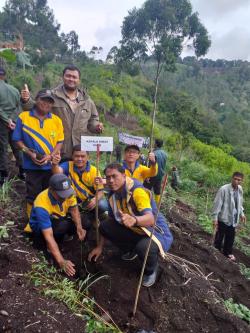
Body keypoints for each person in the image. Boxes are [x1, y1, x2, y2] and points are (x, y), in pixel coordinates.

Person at [88, 163, 173, 287]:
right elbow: (111, 220)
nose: (111, 181)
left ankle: (151, 270)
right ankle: (131, 250)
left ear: (123, 175)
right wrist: (100, 247)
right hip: (135, 229)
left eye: (114, 176)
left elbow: (150, 219)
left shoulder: (137, 191)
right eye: (108, 177)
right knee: (105, 226)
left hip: (154, 231)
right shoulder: (113, 195)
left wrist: (134, 220)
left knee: (144, 248)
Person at [21, 64, 103, 160]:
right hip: (57, 150)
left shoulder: (87, 100)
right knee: (57, 174)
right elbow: (37, 108)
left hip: (80, 152)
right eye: (68, 76)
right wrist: (26, 100)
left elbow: (93, 119)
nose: (71, 79)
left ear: (79, 80)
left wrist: (97, 127)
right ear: (63, 77)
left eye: (74, 77)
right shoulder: (52, 95)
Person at [12, 89, 64, 221]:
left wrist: (51, 156)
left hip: (50, 166)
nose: (46, 103)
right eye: (43, 99)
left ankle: (47, 221)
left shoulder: (56, 120)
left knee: (50, 194)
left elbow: (60, 141)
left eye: (49, 101)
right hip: (32, 166)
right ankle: (32, 222)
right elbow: (17, 140)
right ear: (36, 100)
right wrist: (29, 153)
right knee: (33, 194)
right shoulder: (24, 117)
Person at [29, 173, 86, 276]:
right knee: (61, 227)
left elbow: (74, 209)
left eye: (66, 194)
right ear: (51, 189)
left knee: (85, 222)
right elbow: (49, 236)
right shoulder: (41, 205)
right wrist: (61, 261)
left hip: (58, 218)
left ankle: (64, 241)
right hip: (40, 228)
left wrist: (79, 227)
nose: (65, 197)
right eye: (61, 195)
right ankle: (49, 249)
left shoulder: (68, 191)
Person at [51, 145, 108, 227]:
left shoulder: (94, 170)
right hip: (73, 201)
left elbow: (100, 191)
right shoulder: (67, 165)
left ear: (87, 157)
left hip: (89, 200)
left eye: (83, 156)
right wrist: (54, 164)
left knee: (103, 205)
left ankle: (93, 217)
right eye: (77, 156)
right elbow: (57, 174)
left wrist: (95, 200)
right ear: (72, 156)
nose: (80, 159)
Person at [211, 172, 246, 261]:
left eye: (239, 180)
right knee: (219, 236)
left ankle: (227, 253)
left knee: (230, 237)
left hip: (233, 218)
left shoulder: (240, 189)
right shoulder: (224, 189)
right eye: (235, 179)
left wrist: (241, 213)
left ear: (242, 181)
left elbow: (240, 203)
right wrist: (215, 218)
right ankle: (216, 253)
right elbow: (217, 204)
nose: (236, 181)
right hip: (223, 217)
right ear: (232, 178)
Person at [0, 67, 24, 185]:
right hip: (14, 123)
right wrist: (12, 120)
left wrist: (6, 120)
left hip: (2, 123)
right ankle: (23, 171)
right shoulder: (14, 89)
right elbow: (19, 106)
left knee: (2, 148)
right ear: (4, 76)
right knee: (16, 146)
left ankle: (3, 175)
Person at [144, 139, 167, 203]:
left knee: (146, 189)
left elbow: (150, 164)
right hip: (160, 175)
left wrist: (147, 176)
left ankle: (145, 203)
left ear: (156, 144)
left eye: (154, 143)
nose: (153, 144)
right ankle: (157, 206)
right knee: (157, 191)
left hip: (152, 174)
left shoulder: (153, 154)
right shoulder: (165, 154)